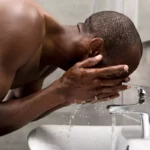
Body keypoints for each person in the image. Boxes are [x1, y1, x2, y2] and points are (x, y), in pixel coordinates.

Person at [0, 0, 142, 136]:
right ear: (95, 48)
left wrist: (71, 96)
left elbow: (23, 110)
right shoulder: (23, 23)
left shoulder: (49, 58)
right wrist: (62, 91)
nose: (104, 83)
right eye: (111, 75)